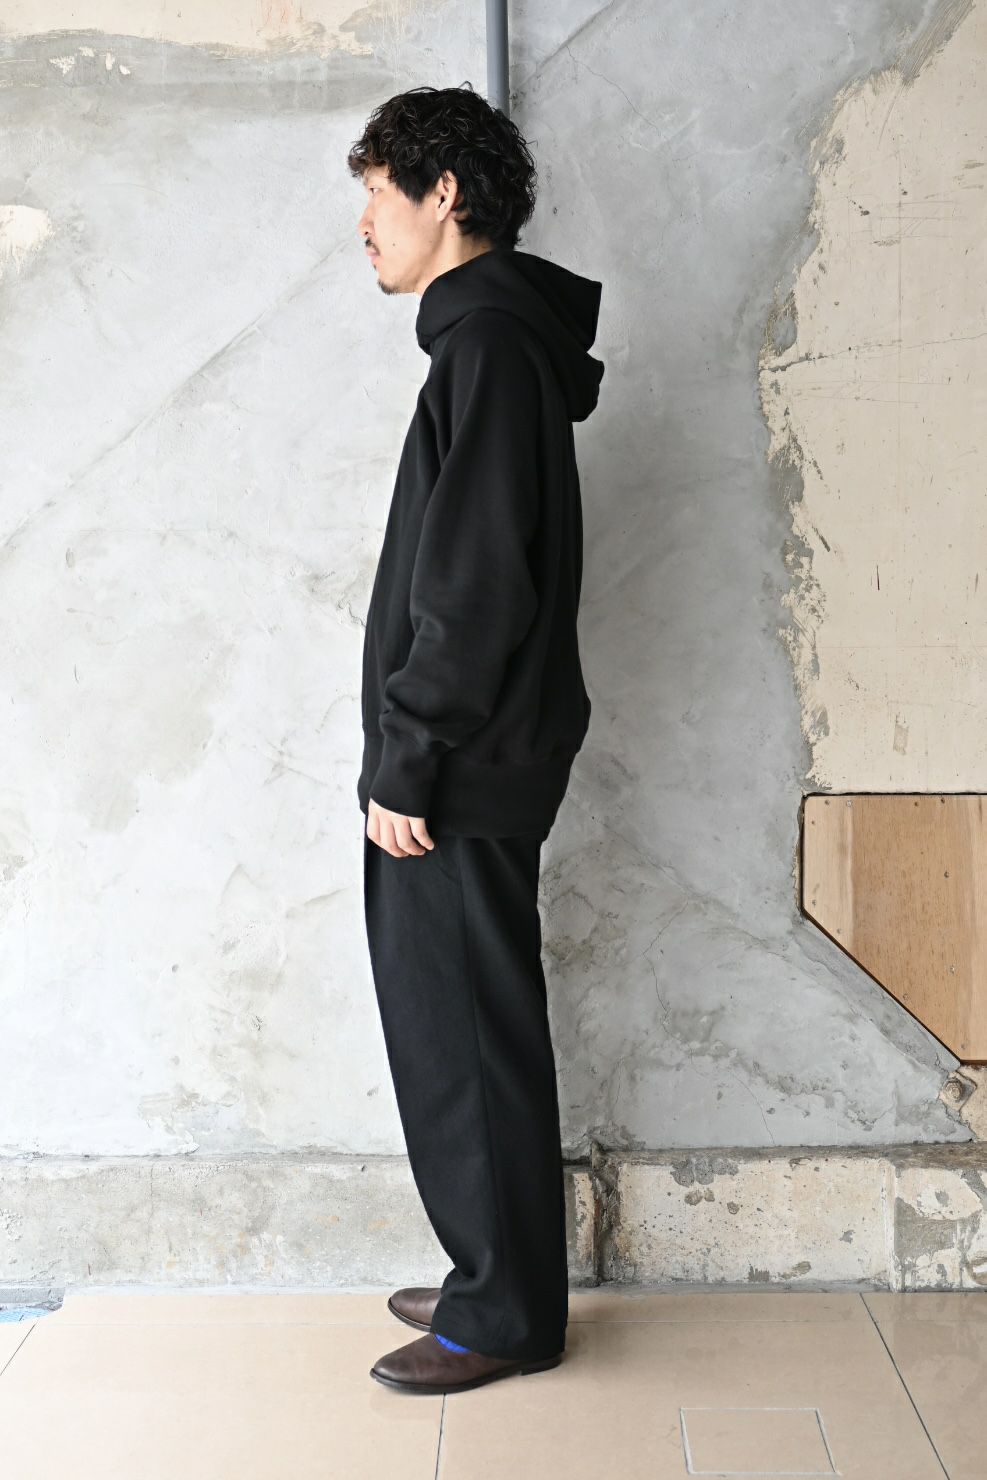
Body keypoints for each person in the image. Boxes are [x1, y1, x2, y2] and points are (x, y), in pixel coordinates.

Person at [349, 82, 605, 1395]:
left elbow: (476, 586)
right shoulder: (486, 345)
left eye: (376, 196)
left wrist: (410, 756)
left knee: (468, 1040)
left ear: (443, 195)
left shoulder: (491, 348)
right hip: (465, 758)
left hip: (457, 767)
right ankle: (491, 1273)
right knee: (459, 1027)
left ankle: (502, 1314)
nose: (364, 226)